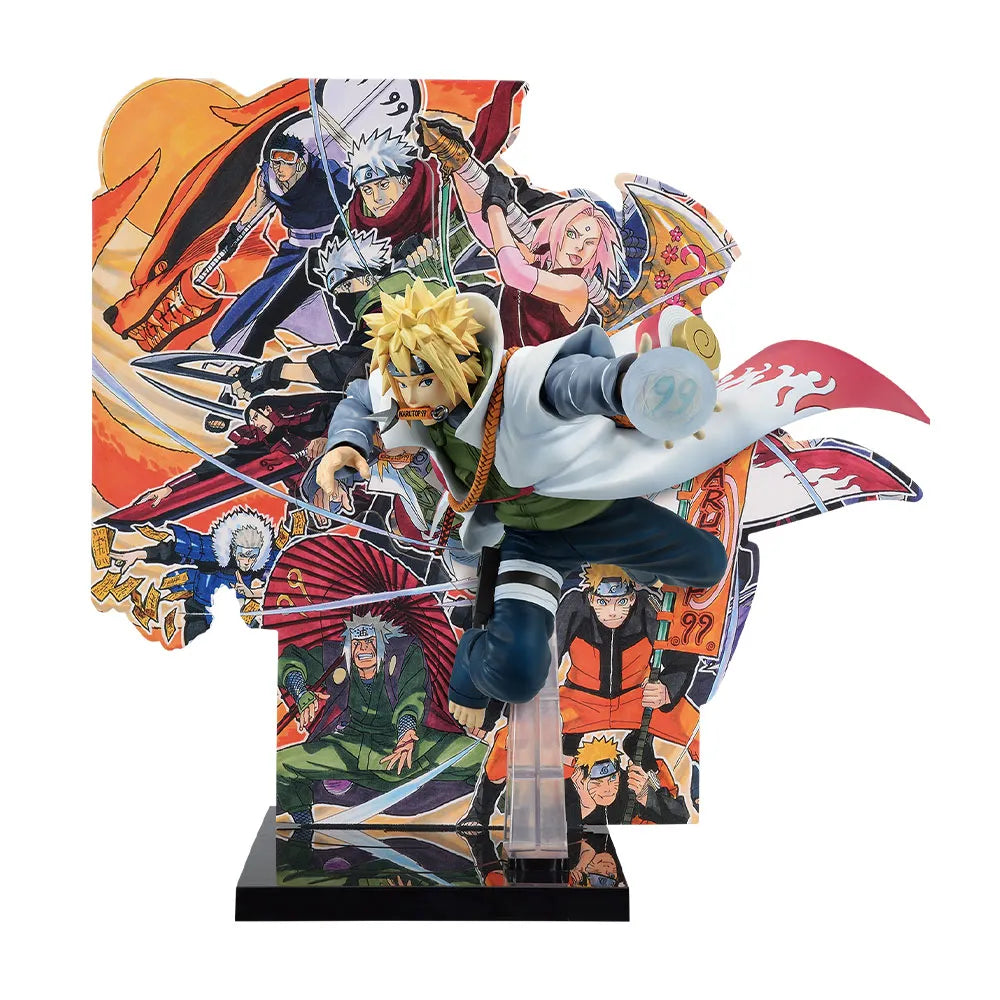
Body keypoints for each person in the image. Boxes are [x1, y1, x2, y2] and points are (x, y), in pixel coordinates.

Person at [314, 279, 729, 728]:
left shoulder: (520, 381)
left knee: (708, 564)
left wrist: (629, 381)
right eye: (404, 383)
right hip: (530, 542)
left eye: (425, 381)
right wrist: (345, 443)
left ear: (462, 364)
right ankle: (470, 658)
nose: (410, 397)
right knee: (515, 676)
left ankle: (638, 567)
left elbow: (575, 382)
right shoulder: (408, 396)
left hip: (599, 514)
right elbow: (364, 397)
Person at [275, 613, 486, 825]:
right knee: (280, 764)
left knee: (484, 756)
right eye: (357, 643)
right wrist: (300, 693)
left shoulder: (405, 654)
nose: (363, 648)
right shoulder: (336, 659)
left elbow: (412, 698)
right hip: (351, 747)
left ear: (383, 644)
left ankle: (483, 814)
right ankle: (304, 827)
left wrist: (406, 734)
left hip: (413, 744)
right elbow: (292, 660)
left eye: (369, 641)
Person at [110, 506, 277, 644]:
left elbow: (278, 578)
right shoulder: (212, 550)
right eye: (243, 555)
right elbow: (172, 551)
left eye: (252, 557)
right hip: (200, 615)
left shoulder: (263, 562)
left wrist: (251, 594)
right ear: (233, 549)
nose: (247, 562)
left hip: (238, 619)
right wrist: (138, 554)